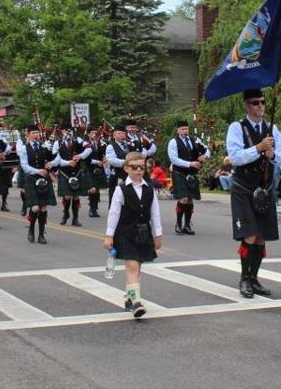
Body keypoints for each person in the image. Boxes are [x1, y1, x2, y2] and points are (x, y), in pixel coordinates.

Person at [226, 89, 281, 298]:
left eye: (262, 102)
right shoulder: (237, 128)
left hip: (265, 189)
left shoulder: (272, 128)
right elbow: (235, 157)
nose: (260, 106)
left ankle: (254, 278)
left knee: (262, 237)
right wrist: (258, 148)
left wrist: (272, 154)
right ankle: (244, 278)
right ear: (247, 105)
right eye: (255, 103)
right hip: (244, 188)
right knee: (250, 235)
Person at [103, 151, 162, 319]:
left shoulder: (149, 188)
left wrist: (158, 235)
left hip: (143, 232)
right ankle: (136, 301)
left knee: (138, 266)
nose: (138, 170)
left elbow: (155, 214)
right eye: (134, 167)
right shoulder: (120, 189)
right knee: (132, 266)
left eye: (142, 167)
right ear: (126, 168)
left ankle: (130, 296)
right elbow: (113, 213)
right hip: (125, 233)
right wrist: (109, 236)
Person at [167, 121, 210, 235]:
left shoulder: (194, 139)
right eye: (182, 129)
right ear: (178, 130)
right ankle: (178, 223)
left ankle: (187, 225)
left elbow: (207, 150)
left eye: (186, 129)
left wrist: (204, 156)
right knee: (184, 199)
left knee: (190, 199)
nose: (185, 131)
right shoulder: (173, 142)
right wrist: (190, 164)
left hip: (192, 174)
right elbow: (173, 159)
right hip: (179, 172)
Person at [19, 126, 58, 244]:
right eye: (33, 132)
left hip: (44, 179)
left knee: (43, 208)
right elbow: (24, 166)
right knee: (35, 208)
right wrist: (37, 171)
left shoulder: (45, 146)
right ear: (28, 134)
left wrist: (51, 164)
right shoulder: (24, 149)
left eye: (37, 132)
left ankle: (41, 234)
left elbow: (56, 159)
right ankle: (31, 229)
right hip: (31, 179)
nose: (36, 134)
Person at [53, 126, 90, 227]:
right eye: (65, 130)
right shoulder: (58, 143)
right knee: (67, 196)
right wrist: (67, 163)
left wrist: (80, 156)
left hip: (77, 172)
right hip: (65, 172)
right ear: (62, 131)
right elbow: (54, 158)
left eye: (69, 131)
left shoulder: (78, 140)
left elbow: (89, 148)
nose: (68, 133)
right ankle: (65, 214)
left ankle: (75, 218)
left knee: (76, 196)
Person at [84, 128, 106, 218]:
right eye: (92, 133)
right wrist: (96, 162)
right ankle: (91, 209)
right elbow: (85, 158)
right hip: (89, 168)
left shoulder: (100, 143)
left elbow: (103, 154)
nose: (94, 134)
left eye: (95, 133)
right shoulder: (86, 144)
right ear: (89, 134)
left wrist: (104, 159)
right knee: (92, 189)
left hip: (99, 169)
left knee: (97, 190)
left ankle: (95, 208)